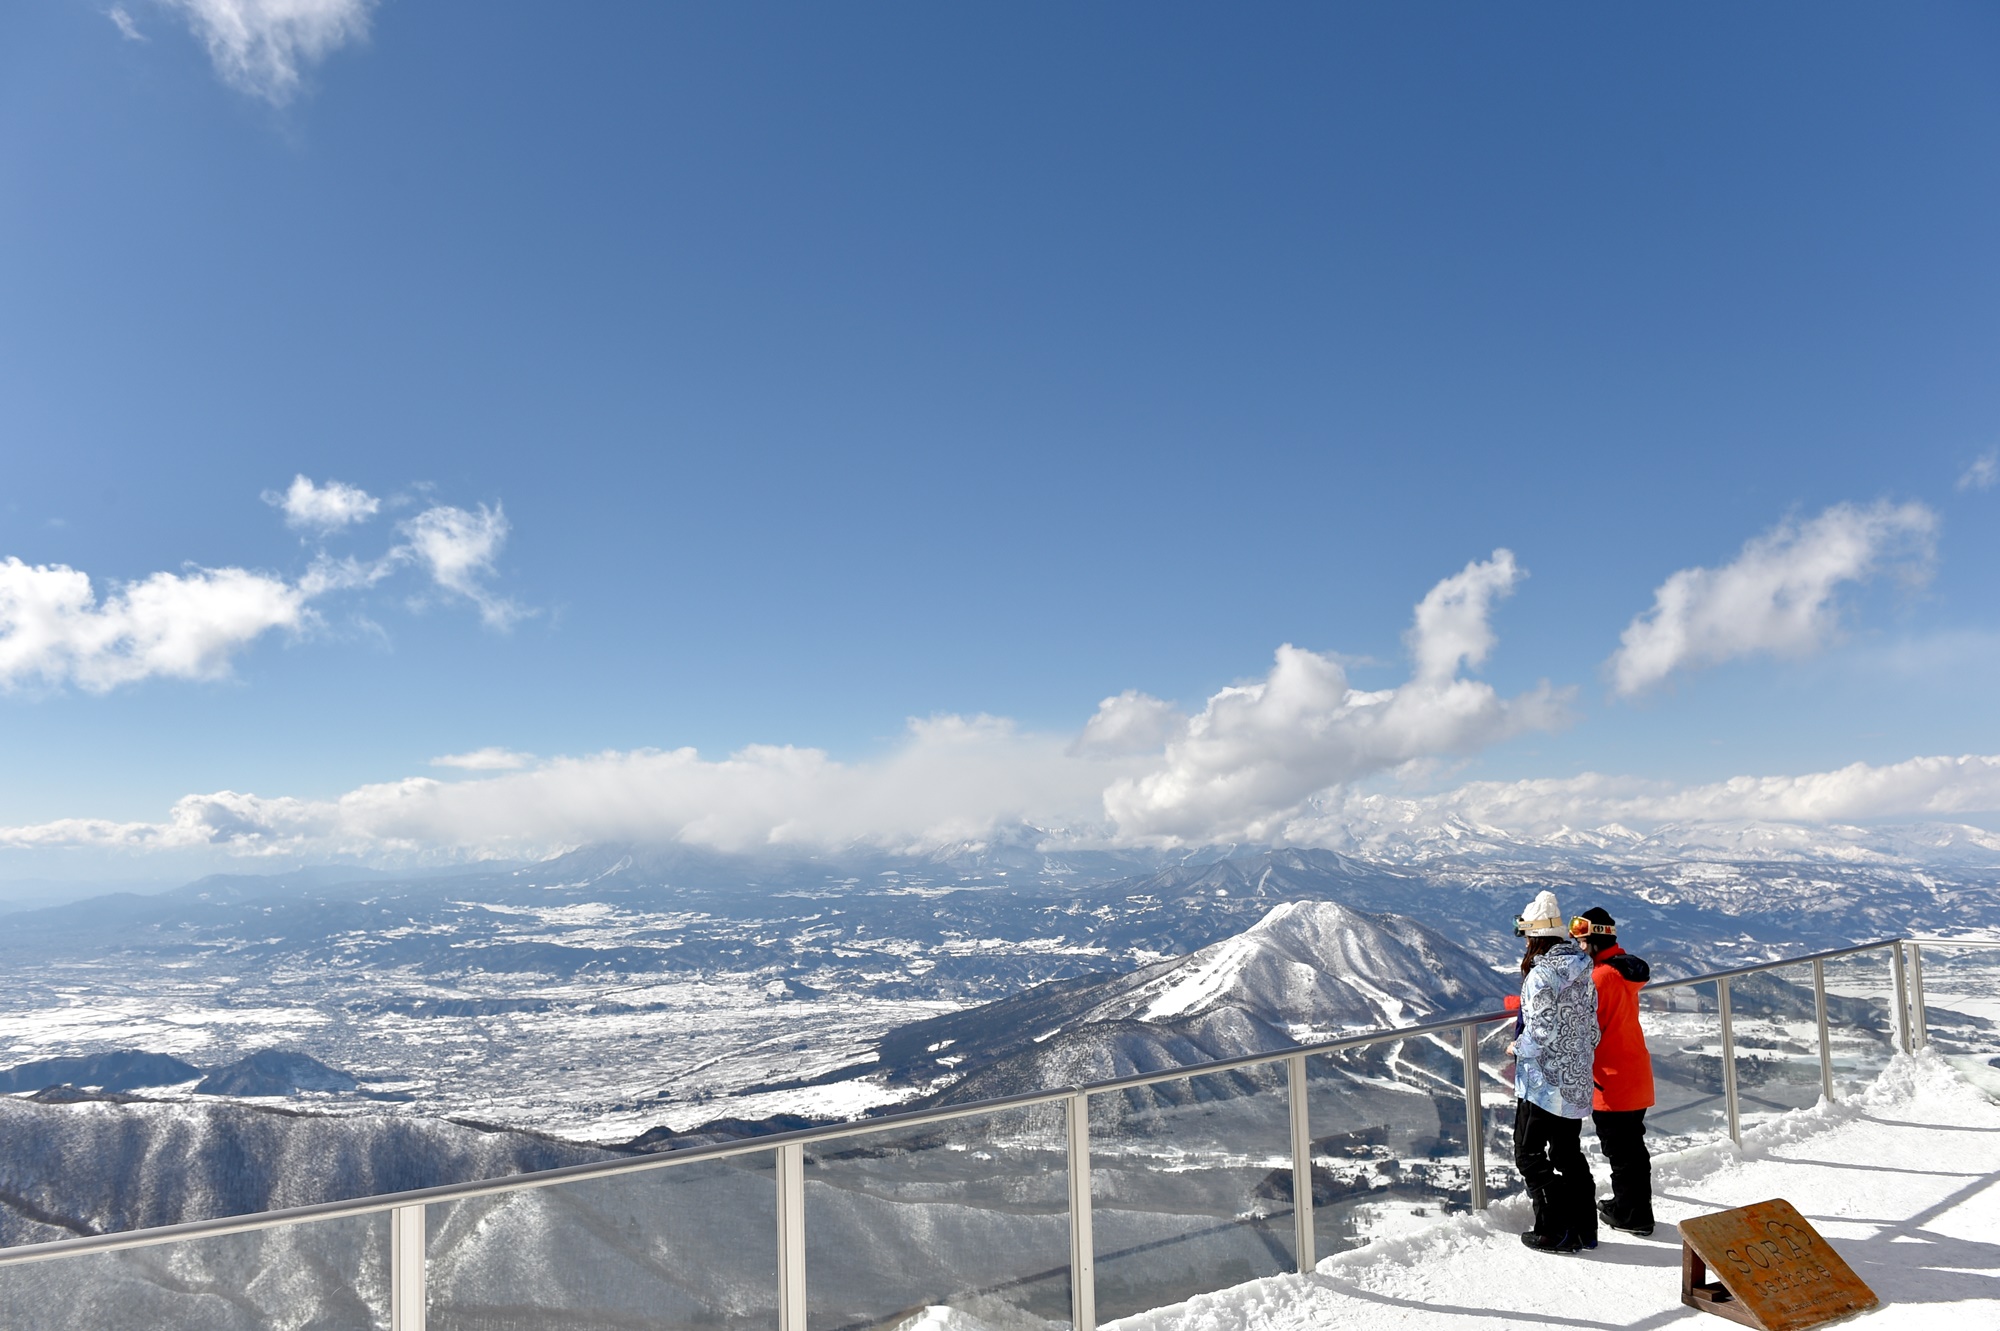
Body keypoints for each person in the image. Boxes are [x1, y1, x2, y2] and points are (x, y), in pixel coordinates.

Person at [1510, 890, 1600, 1253]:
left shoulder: (1540, 976)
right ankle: (1584, 1229)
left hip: (1543, 1082)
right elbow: (1593, 1029)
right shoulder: (1583, 971)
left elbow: (1540, 1032)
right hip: (1576, 1079)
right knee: (1567, 1152)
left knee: (1528, 1153)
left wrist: (1516, 1048)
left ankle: (1554, 1229)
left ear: (1535, 938)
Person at [1574, 905, 1656, 1237]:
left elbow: (1574, 1019)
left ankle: (1633, 1215)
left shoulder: (1599, 977)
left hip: (1611, 1078)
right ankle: (1632, 1206)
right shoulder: (1621, 972)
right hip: (1634, 1072)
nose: (1579, 948)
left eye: (1581, 941)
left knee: (1622, 1152)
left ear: (1594, 940)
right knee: (1631, 1148)